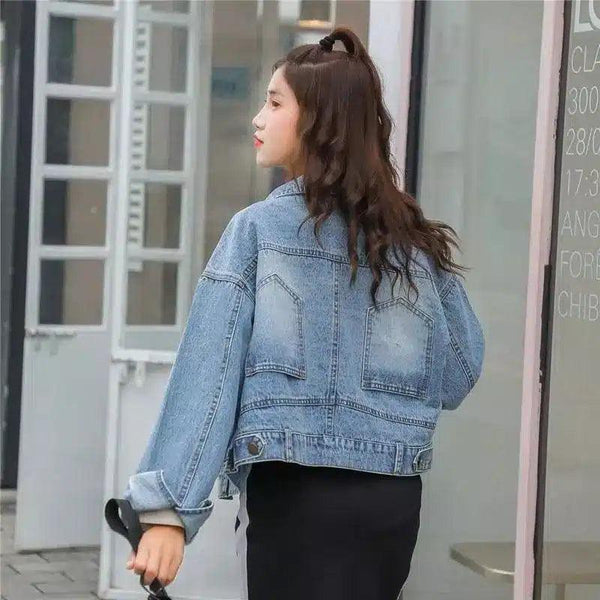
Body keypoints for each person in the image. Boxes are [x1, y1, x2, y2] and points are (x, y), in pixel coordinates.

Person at [122, 26, 485, 600]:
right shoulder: (411, 243)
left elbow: (210, 376)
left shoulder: (257, 232)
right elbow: (458, 374)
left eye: (274, 103)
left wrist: (168, 509)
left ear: (319, 120)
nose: (257, 119)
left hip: (295, 499)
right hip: (390, 503)